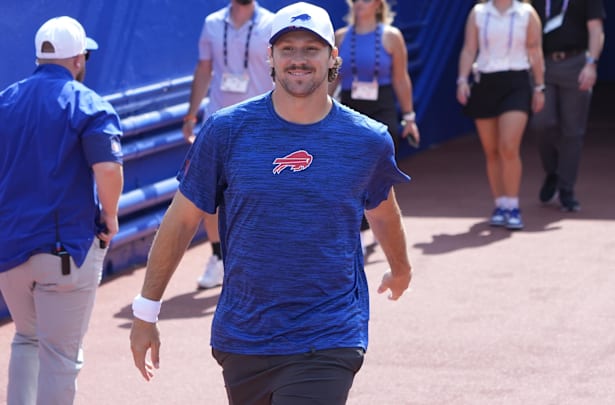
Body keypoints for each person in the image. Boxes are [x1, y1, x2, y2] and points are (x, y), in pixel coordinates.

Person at [130, 2, 413, 404]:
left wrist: (400, 269)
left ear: (332, 57)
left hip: (329, 335)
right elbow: (180, 221)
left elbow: (383, 210)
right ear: (271, 58)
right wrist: (146, 312)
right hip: (244, 337)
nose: (298, 59)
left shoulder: (367, 140)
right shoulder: (225, 131)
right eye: (287, 49)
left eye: (311, 49)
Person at [0, 16, 123, 405]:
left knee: (26, 338)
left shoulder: (5, 100)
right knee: (60, 358)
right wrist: (111, 215)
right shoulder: (86, 102)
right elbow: (107, 167)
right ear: (78, 58)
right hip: (63, 250)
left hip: (9, 251)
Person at [182, 0, 275, 289]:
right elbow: (204, 68)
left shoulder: (272, 24)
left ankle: (260, 257)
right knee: (211, 194)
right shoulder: (212, 23)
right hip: (218, 122)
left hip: (261, 123)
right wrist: (190, 113)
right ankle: (219, 257)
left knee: (261, 193)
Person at [330, 0, 420, 253]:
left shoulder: (392, 37)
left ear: (378, 4)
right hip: (350, 108)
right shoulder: (341, 37)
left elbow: (402, 78)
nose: (360, 3)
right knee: (352, 173)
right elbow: (332, 79)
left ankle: (381, 224)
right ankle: (358, 227)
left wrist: (410, 117)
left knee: (379, 171)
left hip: (383, 107)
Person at [456, 0, 545, 230]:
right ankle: (500, 203)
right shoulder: (478, 12)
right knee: (492, 150)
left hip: (517, 82)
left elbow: (535, 50)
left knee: (508, 146)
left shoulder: (526, 13)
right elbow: (469, 48)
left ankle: (513, 205)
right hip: (485, 82)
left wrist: (539, 86)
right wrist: (462, 80)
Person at [528, 0, 605, 212]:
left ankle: (566, 188)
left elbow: (596, 28)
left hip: (576, 63)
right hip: (543, 65)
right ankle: (552, 171)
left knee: (573, 131)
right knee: (541, 122)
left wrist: (592, 64)